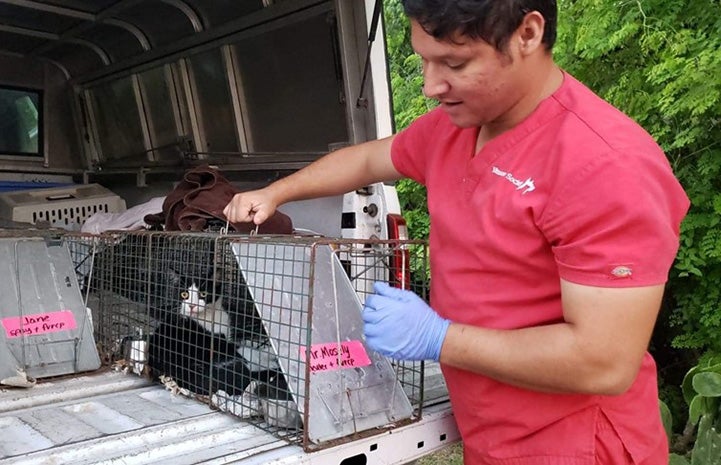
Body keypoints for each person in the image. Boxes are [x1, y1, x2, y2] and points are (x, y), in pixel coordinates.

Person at [224, 1, 690, 463]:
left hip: (577, 445)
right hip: (491, 437)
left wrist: (439, 337)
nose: (430, 86)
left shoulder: (605, 166)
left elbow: (603, 361)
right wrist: (277, 193)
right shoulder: (458, 125)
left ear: (527, 34)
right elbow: (369, 159)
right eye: (424, 59)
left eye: (455, 63)